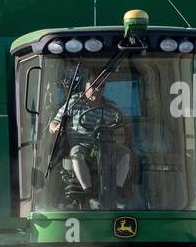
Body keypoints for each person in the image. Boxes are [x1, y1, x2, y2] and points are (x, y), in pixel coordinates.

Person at [48, 73, 133, 208]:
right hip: (81, 145)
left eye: (101, 86)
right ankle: (89, 194)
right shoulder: (74, 102)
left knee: (125, 153)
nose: (97, 89)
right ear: (85, 86)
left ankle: (116, 193)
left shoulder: (111, 107)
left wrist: (119, 136)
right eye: (93, 85)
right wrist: (56, 128)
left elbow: (120, 130)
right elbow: (54, 122)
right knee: (77, 155)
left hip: (106, 146)